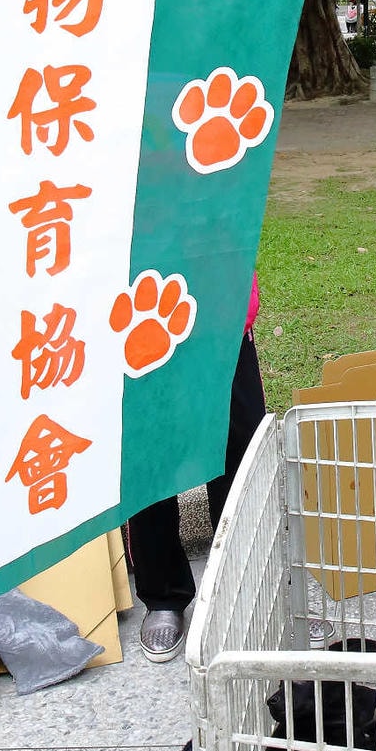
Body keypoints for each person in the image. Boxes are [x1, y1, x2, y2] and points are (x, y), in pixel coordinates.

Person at [127, 278, 265, 661]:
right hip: (136, 293)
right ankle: (163, 594)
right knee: (149, 447)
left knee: (237, 443)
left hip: (218, 290)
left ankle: (244, 581)